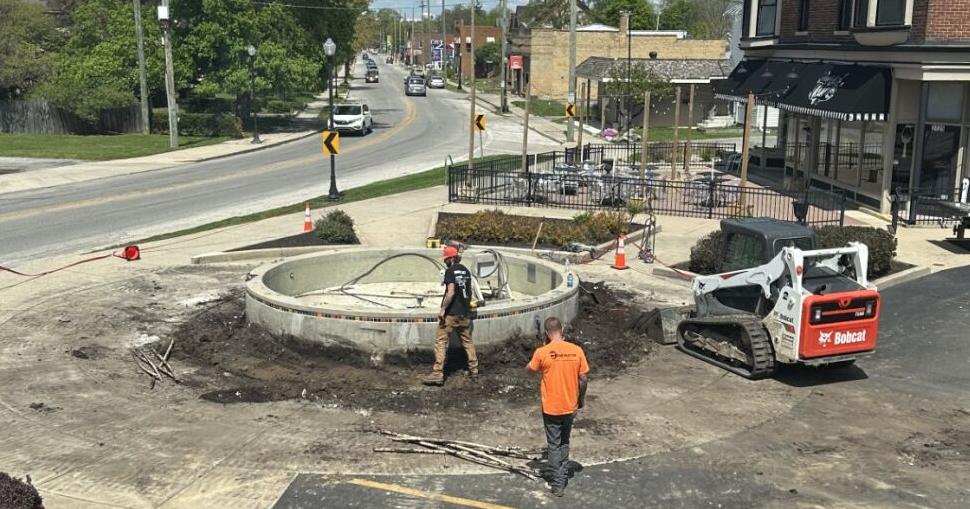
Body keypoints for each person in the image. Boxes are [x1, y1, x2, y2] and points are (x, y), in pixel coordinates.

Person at [527, 317, 589, 497]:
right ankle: (562, 473)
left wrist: (543, 349)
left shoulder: (542, 352)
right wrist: (581, 399)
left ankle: (558, 483)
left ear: (547, 333)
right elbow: (583, 379)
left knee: (553, 445)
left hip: (551, 408)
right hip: (570, 407)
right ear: (562, 330)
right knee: (564, 441)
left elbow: (529, 369)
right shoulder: (576, 351)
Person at [423, 246, 478, 386]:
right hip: (464, 313)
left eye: (446, 259)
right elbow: (469, 291)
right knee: (467, 341)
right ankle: (474, 370)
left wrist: (443, 309)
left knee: (441, 341)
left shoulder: (450, 271)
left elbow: (451, 292)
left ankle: (437, 374)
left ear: (452, 258)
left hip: (451, 313)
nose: (445, 261)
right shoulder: (465, 271)